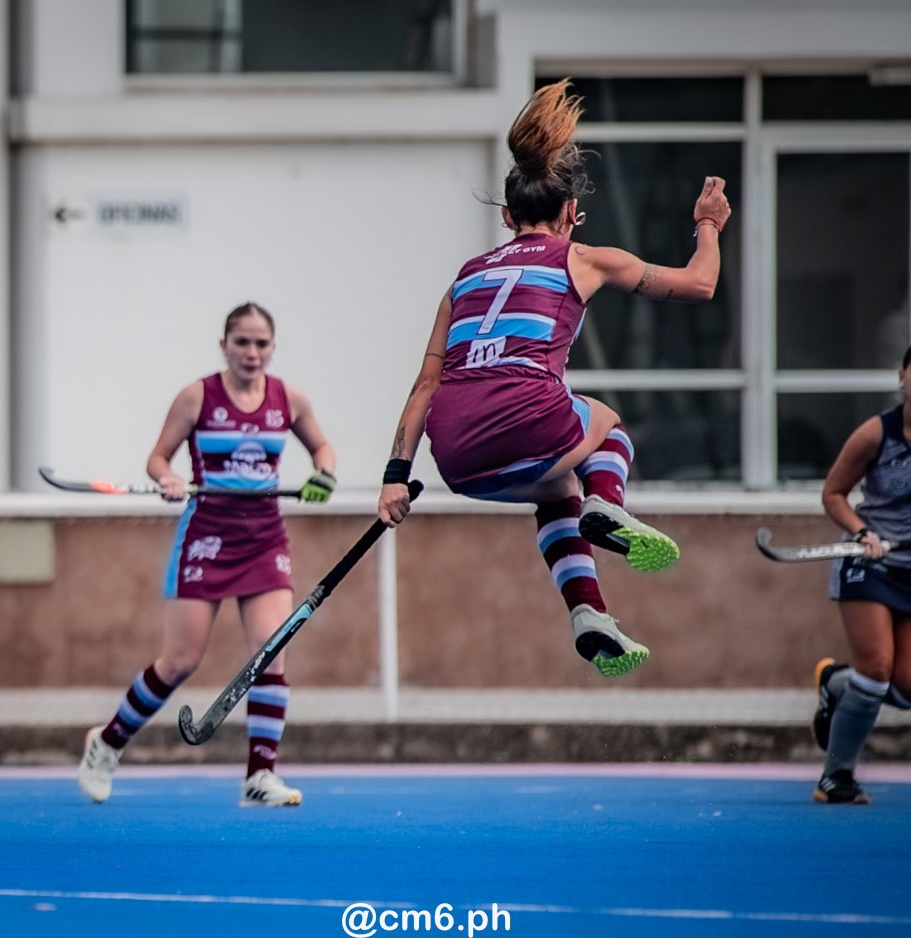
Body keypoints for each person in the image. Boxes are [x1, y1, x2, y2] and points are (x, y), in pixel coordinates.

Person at [377, 80, 730, 676]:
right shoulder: (583, 257)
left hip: (456, 457)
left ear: (508, 215)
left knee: (557, 490)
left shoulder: (462, 278)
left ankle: (588, 611)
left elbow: (423, 389)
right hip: (529, 418)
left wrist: (393, 480)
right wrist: (708, 224)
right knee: (610, 426)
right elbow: (700, 285)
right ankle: (608, 503)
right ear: (572, 211)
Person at [77, 302, 337, 807]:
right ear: (224, 346)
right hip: (207, 537)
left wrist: (321, 476)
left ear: (273, 348)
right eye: (242, 342)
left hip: (264, 539)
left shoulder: (290, 399)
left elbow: (323, 449)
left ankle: (260, 776)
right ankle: (106, 745)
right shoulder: (197, 397)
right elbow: (157, 457)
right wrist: (169, 479)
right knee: (179, 662)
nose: (252, 352)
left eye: (262, 343)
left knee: (271, 654)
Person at [811, 344, 911, 805]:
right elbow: (834, 494)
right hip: (869, 564)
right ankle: (837, 778)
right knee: (875, 671)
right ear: (901, 378)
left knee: (905, 687)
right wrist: (863, 530)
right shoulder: (876, 434)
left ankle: (834, 684)